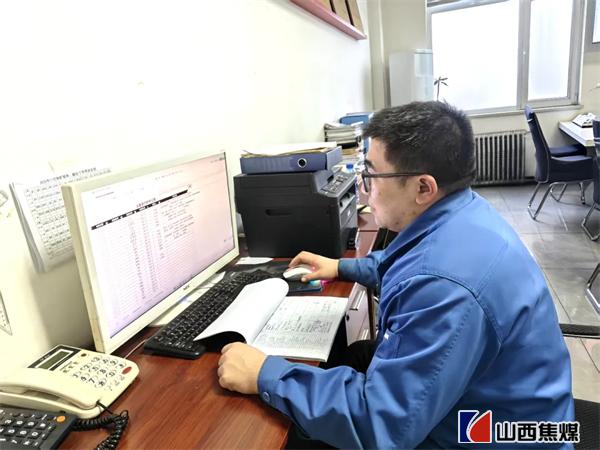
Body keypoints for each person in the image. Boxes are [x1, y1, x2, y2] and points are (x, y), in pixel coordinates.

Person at [217, 101, 574, 449]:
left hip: (489, 435)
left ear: (423, 188)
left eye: (371, 175)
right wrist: (340, 266)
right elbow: (406, 261)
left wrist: (265, 374)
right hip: (493, 402)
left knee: (289, 435)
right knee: (358, 355)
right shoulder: (462, 211)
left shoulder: (445, 286)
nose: (364, 189)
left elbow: (382, 427)